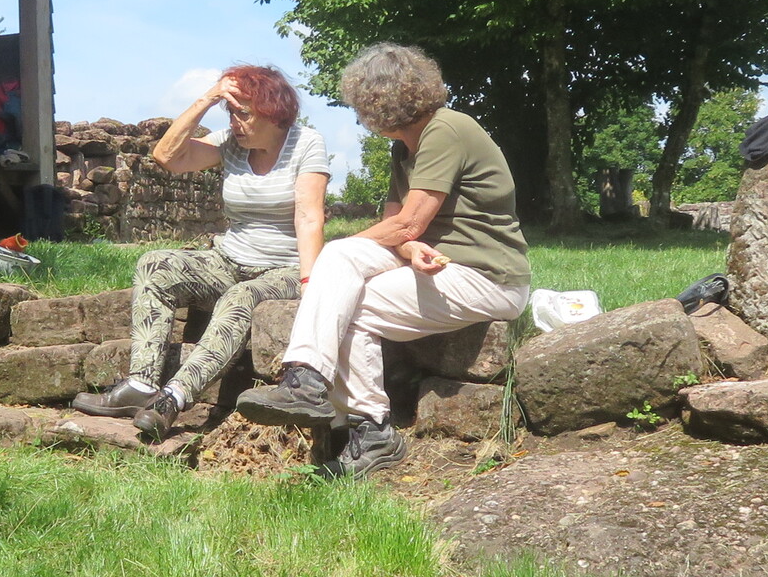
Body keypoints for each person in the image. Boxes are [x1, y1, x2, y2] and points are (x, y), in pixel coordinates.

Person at [237, 43, 529, 477]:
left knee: (346, 288)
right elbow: (398, 230)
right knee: (345, 281)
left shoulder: (447, 130)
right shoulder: (403, 149)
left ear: (377, 102)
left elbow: (408, 223)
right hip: (437, 264)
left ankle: (348, 411)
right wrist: (406, 247)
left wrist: (375, 243)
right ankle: (322, 394)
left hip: (488, 277)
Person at [74, 66, 330, 438]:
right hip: (229, 260)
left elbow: (309, 217)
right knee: (155, 263)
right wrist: (207, 99)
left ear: (274, 113)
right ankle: (141, 385)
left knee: (241, 296)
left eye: (244, 114)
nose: (235, 122)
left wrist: (310, 284)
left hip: (284, 268)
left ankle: (173, 398)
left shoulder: (306, 142)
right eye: (231, 112)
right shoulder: (229, 142)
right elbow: (167, 156)